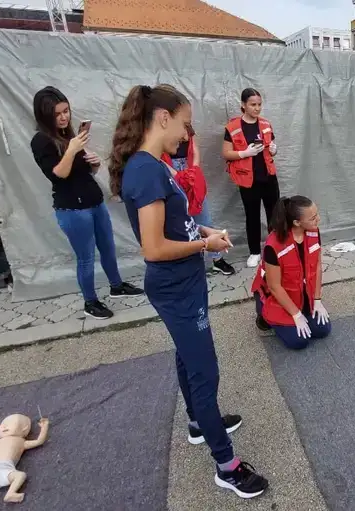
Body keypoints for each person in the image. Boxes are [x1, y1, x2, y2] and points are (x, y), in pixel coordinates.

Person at [109, 83, 268, 500]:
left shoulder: (156, 165)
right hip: (174, 284)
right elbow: (154, 248)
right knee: (205, 370)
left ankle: (200, 422)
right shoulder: (145, 170)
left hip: (185, 281)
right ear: (163, 119)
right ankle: (227, 465)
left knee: (188, 355)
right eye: (184, 124)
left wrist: (205, 230)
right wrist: (205, 246)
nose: (187, 134)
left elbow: (173, 224)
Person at [29, 86, 143, 320]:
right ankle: (90, 302)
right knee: (86, 257)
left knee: (109, 248)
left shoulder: (68, 136)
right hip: (72, 209)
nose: (64, 117)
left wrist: (93, 163)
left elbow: (84, 172)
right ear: (45, 116)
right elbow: (58, 174)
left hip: (94, 201)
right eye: (58, 114)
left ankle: (117, 286)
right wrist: (71, 151)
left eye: (66, 111)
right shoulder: (41, 141)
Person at [250, 195, 331, 350]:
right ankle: (264, 316)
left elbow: (317, 266)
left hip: (300, 293)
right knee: (299, 341)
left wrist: (317, 299)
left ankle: (301, 311)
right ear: (297, 222)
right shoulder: (273, 245)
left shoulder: (313, 232)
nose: (318, 219)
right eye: (313, 218)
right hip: (276, 296)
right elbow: (274, 287)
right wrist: (296, 314)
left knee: (322, 330)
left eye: (317, 214)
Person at [162, 132, 236, 275]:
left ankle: (217, 259)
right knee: (182, 220)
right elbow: (157, 158)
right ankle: (195, 262)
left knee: (204, 218)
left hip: (189, 168)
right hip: (170, 169)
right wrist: (177, 174)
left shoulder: (186, 125)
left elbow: (194, 147)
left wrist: (194, 170)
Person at [222, 88, 279, 269]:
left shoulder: (265, 124)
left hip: (268, 176)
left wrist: (273, 149)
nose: (257, 108)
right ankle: (255, 252)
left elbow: (271, 145)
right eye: (253, 104)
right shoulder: (232, 127)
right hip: (248, 180)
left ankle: (275, 249)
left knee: (275, 215)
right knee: (252, 216)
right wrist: (244, 153)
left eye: (259, 104)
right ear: (243, 105)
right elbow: (226, 153)